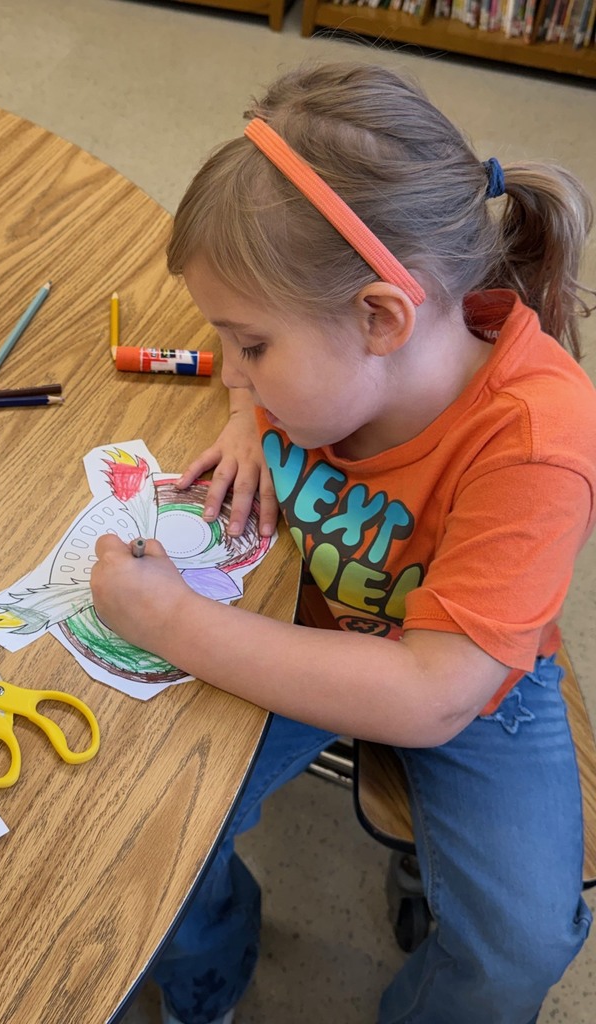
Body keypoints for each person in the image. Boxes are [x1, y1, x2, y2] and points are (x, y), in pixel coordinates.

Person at [90, 62, 596, 1024]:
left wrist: (169, 621)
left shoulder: (540, 441)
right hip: (308, 611)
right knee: (155, 833)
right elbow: (269, 365)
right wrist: (248, 413)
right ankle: (209, 983)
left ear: (380, 316)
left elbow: (432, 692)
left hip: (470, 681)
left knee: (519, 945)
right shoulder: (334, 356)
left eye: (251, 347)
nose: (231, 369)